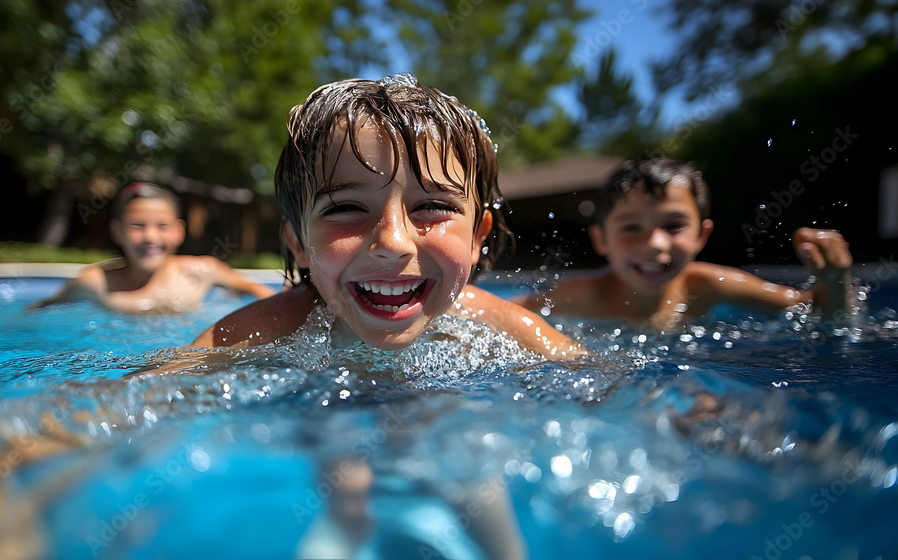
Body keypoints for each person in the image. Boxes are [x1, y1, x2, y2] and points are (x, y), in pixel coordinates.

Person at [190, 73, 583, 361]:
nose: (393, 242)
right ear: (298, 242)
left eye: (432, 207)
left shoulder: (501, 328)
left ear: (478, 237)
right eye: (346, 208)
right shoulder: (262, 332)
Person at [515, 157, 855, 330]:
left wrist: (834, 279)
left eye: (674, 225)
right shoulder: (580, 296)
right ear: (601, 239)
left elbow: (819, 312)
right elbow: (494, 312)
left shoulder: (712, 285)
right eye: (631, 227)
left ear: (701, 236)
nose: (654, 242)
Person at [29, 182, 275, 314]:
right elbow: (44, 308)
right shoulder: (95, 283)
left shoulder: (200, 271)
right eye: (137, 225)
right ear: (117, 231)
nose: (150, 236)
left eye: (162, 226)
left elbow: (257, 290)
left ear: (179, 231)